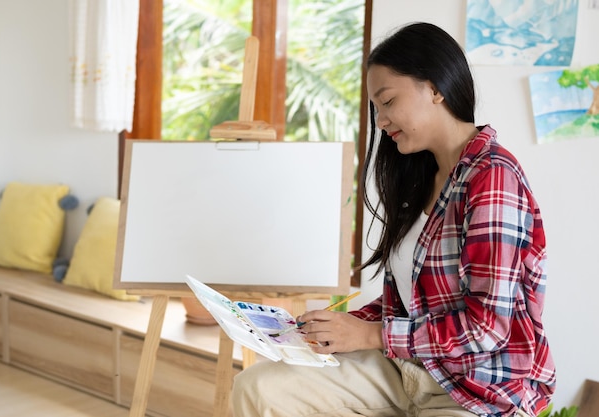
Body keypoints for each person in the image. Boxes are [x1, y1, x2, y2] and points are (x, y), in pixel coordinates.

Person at [231, 22, 556, 417]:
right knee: (259, 386)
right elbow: (412, 300)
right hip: (407, 367)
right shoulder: (422, 174)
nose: (381, 121)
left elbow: (486, 328)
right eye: (376, 109)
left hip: (479, 386)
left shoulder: (493, 177)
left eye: (387, 101)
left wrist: (370, 335)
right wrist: (333, 328)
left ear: (435, 88)